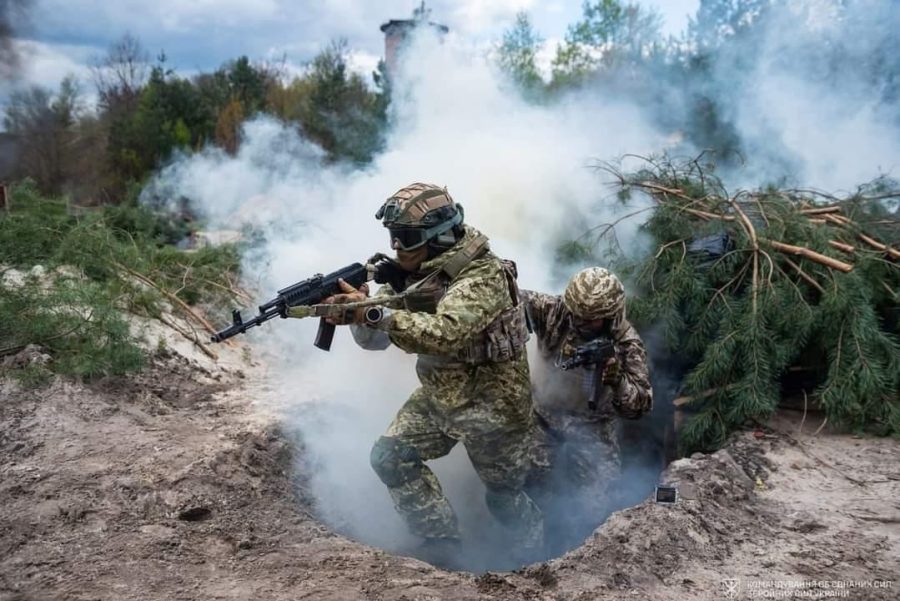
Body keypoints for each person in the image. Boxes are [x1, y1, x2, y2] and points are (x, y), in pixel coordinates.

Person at [303, 182, 542, 567]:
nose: (398, 247)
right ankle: (441, 546)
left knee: (504, 497)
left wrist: (372, 311)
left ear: (439, 236)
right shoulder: (412, 275)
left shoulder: (483, 274)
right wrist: (356, 312)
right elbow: (375, 341)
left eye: (407, 238)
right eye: (393, 237)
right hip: (440, 397)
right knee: (390, 457)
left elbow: (444, 335)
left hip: (495, 409)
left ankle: (536, 564)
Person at [521, 267, 652, 547]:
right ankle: (529, 554)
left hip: (594, 429)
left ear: (610, 316)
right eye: (576, 314)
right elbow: (510, 300)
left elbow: (640, 406)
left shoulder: (627, 344)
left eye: (589, 319)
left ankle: (579, 558)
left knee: (595, 511)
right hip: (543, 419)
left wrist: (617, 381)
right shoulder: (555, 311)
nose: (579, 323)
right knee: (527, 490)